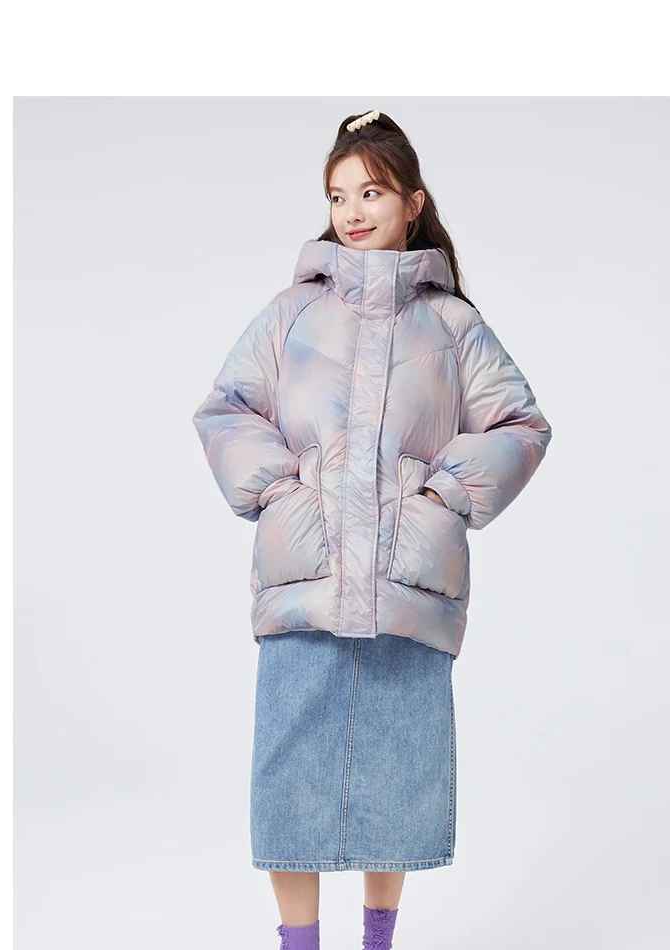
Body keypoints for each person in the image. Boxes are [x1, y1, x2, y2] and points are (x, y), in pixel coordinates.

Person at [191, 110, 553, 950]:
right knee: (290, 791)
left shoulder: (453, 326)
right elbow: (226, 410)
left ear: (412, 202)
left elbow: (521, 426)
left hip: (407, 591)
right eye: (337, 194)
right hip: (305, 587)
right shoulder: (290, 314)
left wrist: (442, 495)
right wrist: (281, 489)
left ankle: (378, 942)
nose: (351, 211)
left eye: (372, 192)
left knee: (395, 788)